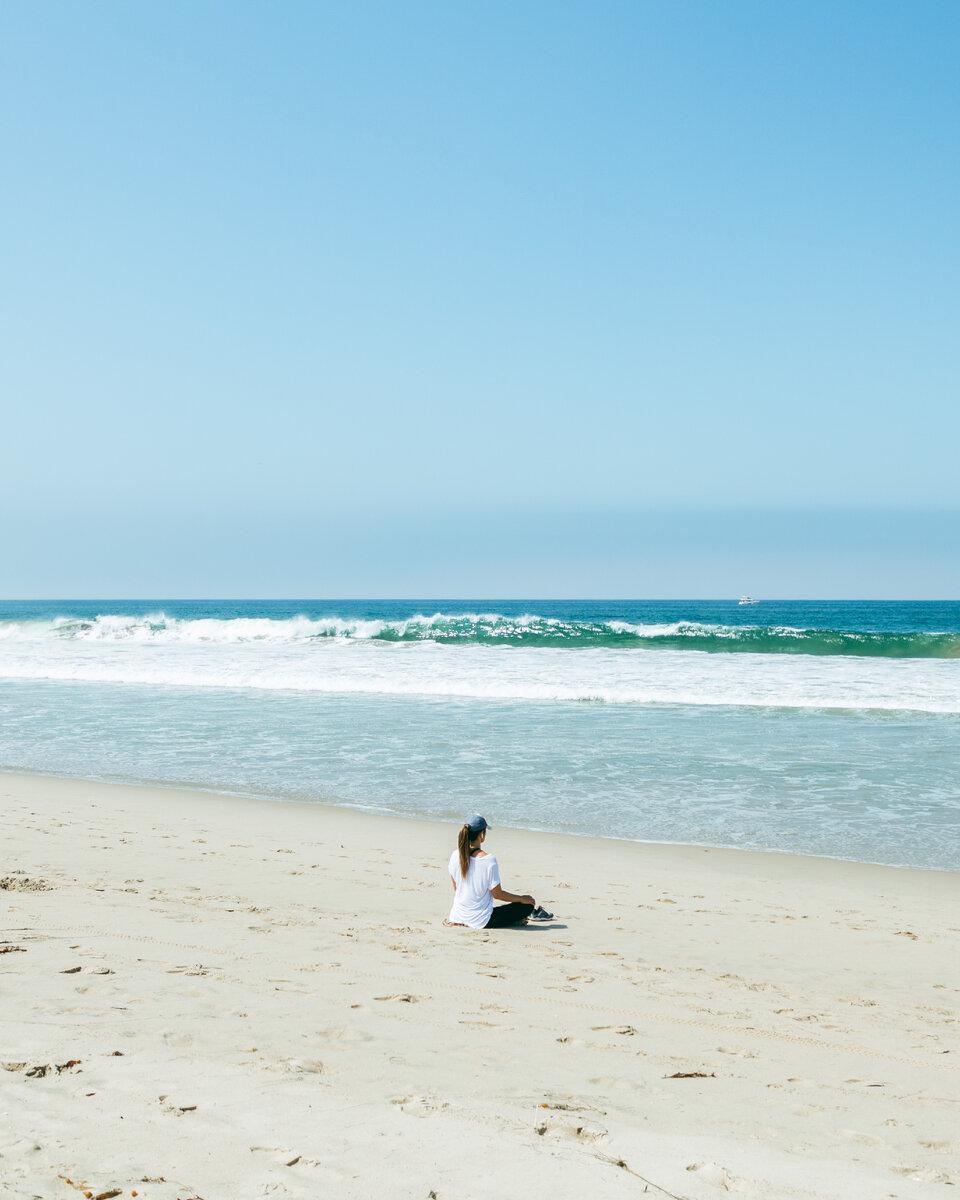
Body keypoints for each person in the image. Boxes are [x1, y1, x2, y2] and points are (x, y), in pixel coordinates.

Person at [447, 814, 553, 928]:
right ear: (482, 834)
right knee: (527, 906)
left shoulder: (455, 855)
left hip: (457, 915)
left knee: (509, 906)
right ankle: (516, 921)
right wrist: (522, 898)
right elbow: (497, 894)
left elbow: (457, 889)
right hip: (480, 921)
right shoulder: (488, 860)